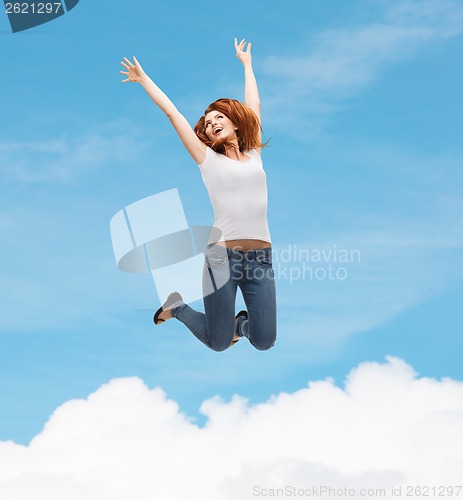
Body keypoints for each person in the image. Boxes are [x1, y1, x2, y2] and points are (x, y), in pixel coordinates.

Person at [120, 38, 276, 351]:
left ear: (233, 121)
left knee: (264, 340)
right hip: (221, 258)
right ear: (204, 136)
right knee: (217, 343)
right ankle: (177, 307)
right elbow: (172, 113)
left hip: (260, 258)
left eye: (219, 117)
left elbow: (253, 105)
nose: (213, 123)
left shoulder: (254, 153)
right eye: (207, 124)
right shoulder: (207, 160)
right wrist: (144, 79)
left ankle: (239, 324)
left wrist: (247, 65)